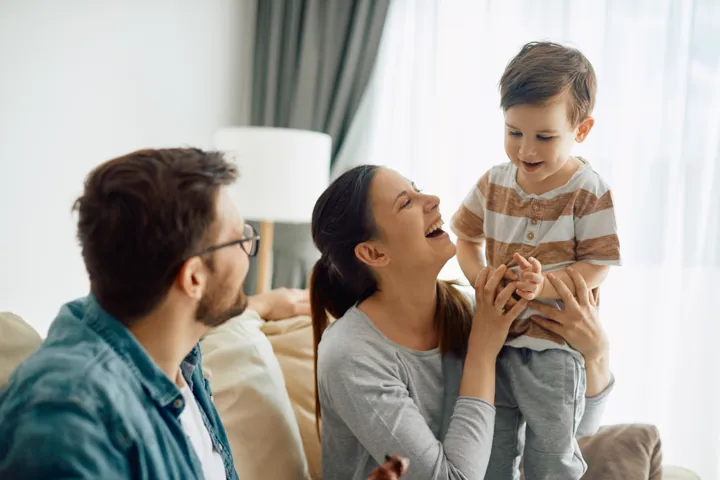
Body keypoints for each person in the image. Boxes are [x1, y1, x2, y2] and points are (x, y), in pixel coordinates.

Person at [0, 147, 413, 480]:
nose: (248, 254)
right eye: (240, 239)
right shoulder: (68, 421)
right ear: (193, 278)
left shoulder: (179, 359)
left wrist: (264, 305)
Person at [309, 164, 614, 479]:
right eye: (405, 203)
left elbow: (572, 431)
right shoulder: (351, 356)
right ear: (373, 253)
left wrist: (594, 354)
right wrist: (482, 349)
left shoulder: (474, 311)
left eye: (418, 187)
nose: (433, 200)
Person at [451, 41, 621, 479]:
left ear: (581, 130)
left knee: (550, 454)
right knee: (493, 449)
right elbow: (464, 237)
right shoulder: (493, 182)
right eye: (514, 132)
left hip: (554, 347)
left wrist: (542, 287)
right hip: (497, 343)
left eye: (544, 137)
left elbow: (599, 262)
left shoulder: (589, 190)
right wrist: (480, 278)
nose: (526, 150)